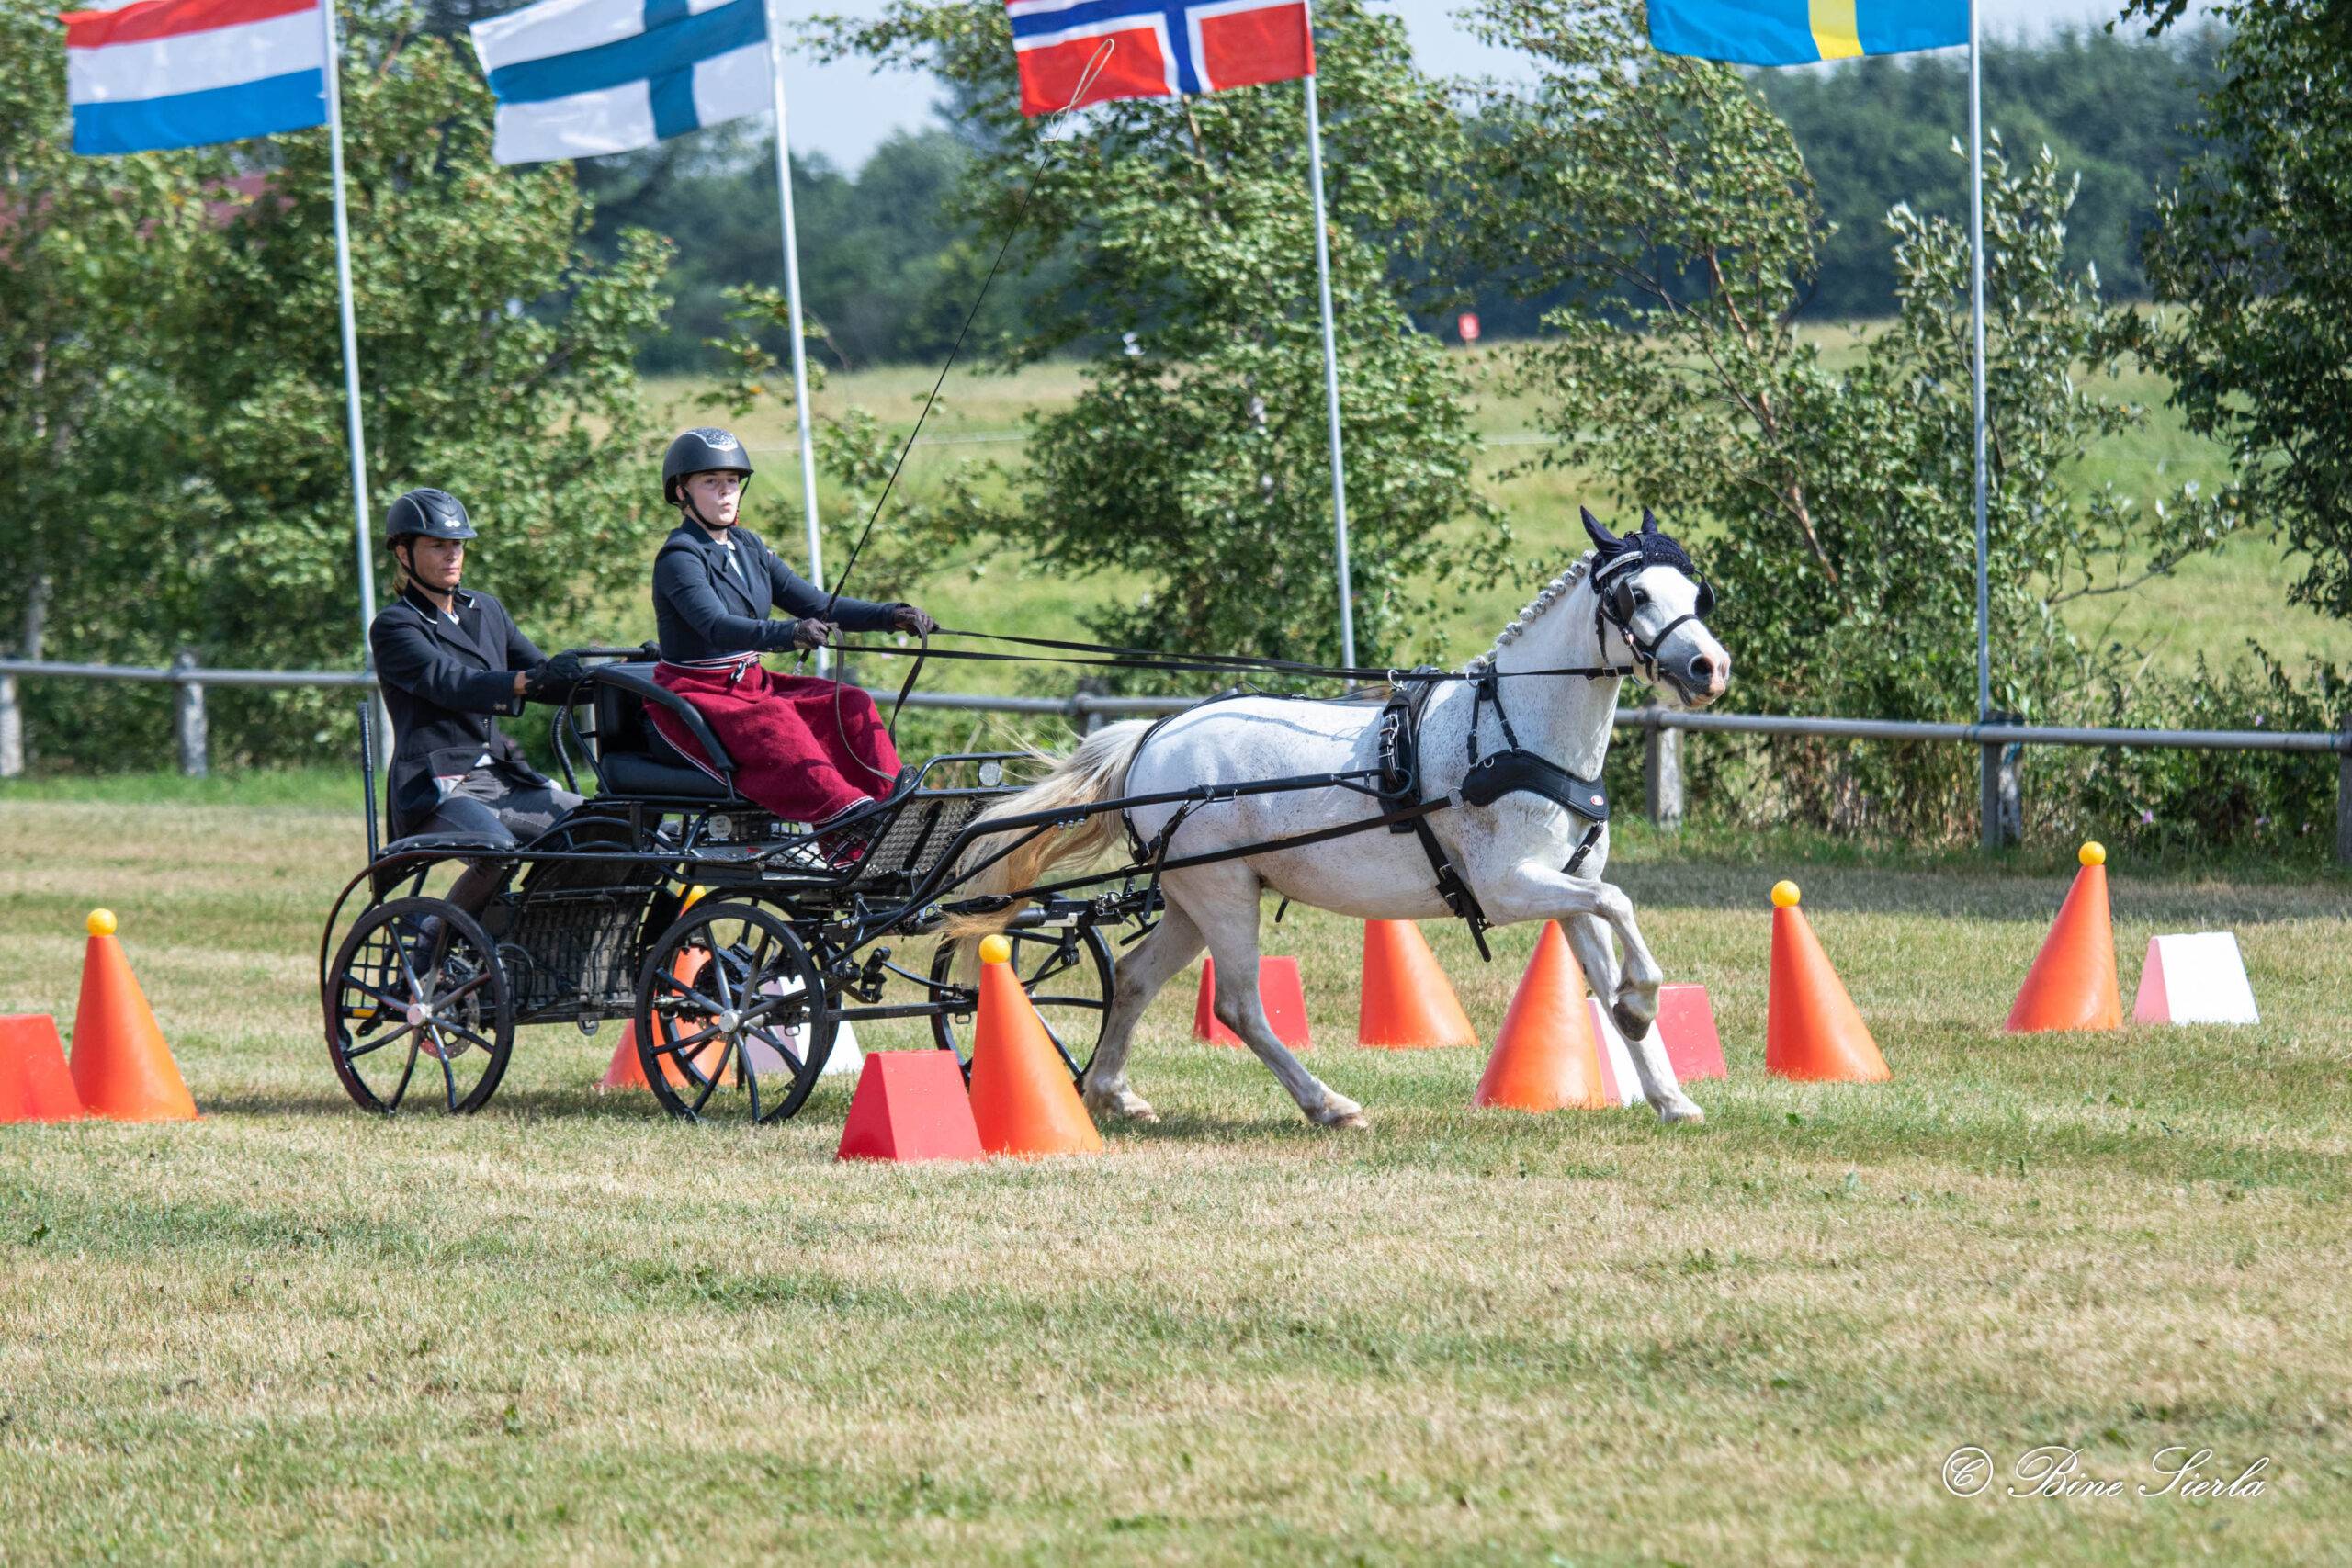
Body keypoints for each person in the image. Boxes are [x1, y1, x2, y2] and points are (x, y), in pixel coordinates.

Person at [647, 427, 935, 838]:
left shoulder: (749, 546)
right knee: (778, 722)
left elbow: (818, 605)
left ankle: (894, 804)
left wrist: (891, 616)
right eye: (710, 482)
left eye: (732, 481)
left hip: (750, 685)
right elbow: (716, 626)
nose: (725, 492)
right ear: (681, 492)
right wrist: (789, 634)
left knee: (849, 701)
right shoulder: (679, 557)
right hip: (697, 693)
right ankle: (853, 818)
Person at [369, 488, 583, 863]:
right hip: (437, 786)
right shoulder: (395, 625)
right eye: (438, 545)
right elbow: (451, 682)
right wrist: (526, 681)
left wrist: (611, 679)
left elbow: (543, 674)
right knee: (496, 855)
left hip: (503, 776)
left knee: (599, 828)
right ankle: (461, 909)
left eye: (457, 544)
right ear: (404, 554)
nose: (452, 554)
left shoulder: (487, 609)